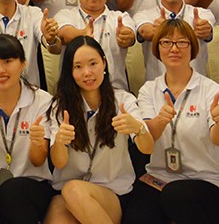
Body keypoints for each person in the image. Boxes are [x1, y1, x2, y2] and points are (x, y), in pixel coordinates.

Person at [125, 19, 219, 224]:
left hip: (208, 181)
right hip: (160, 178)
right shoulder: (148, 90)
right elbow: (148, 140)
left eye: (182, 42)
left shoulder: (211, 90)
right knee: (135, 217)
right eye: (166, 42)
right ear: (157, 49)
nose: (174, 49)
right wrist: (160, 121)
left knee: (175, 196)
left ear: (192, 48)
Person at [45, 36, 153, 224]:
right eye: (78, 67)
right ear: (70, 71)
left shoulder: (123, 100)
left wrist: (138, 129)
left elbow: (147, 148)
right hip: (67, 193)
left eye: (93, 63)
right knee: (59, 214)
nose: (87, 72)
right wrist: (60, 142)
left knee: (73, 190)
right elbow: (59, 163)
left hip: (111, 192)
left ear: (104, 62)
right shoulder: (60, 106)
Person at [0, 35, 54, 224]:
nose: (0, 70)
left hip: (32, 185)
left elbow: (38, 161)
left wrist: (37, 143)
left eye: (7, 61)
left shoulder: (43, 101)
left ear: (23, 63)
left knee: (12, 192)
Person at [55, 0, 136, 92]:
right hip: (74, 94)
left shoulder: (120, 18)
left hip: (115, 92)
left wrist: (126, 36)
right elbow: (63, 34)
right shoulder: (65, 15)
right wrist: (82, 34)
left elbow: (129, 36)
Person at [132, 0, 215, 81]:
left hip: (197, 88)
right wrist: (156, 30)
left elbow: (206, 29)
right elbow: (144, 31)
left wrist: (204, 29)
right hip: (157, 88)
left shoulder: (202, 14)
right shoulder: (144, 16)